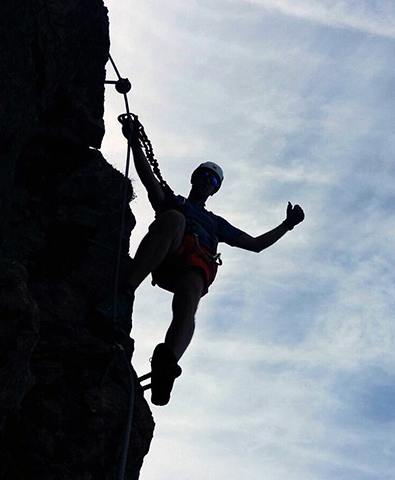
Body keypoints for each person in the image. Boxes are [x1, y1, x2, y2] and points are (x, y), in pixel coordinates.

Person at [99, 117, 305, 406]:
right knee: (173, 218)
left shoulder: (216, 223)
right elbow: (149, 182)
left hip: (194, 263)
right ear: (194, 178)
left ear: (215, 190)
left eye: (213, 180)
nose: (207, 181)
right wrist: (134, 142)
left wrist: (287, 225)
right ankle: (124, 293)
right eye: (205, 176)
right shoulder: (176, 203)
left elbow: (255, 244)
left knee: (195, 283)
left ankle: (168, 362)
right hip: (169, 251)